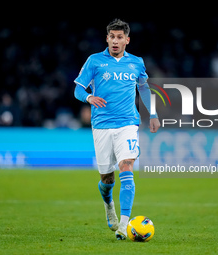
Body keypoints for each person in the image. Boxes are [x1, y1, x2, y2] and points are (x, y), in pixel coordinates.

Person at [74, 19, 160, 240]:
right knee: (107, 179)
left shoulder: (137, 63)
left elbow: (144, 88)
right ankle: (108, 203)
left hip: (128, 124)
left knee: (127, 166)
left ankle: (124, 224)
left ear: (127, 40)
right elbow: (78, 90)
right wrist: (89, 96)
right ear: (107, 39)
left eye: (120, 37)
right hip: (102, 125)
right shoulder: (94, 61)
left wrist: (152, 114)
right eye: (112, 36)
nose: (115, 40)